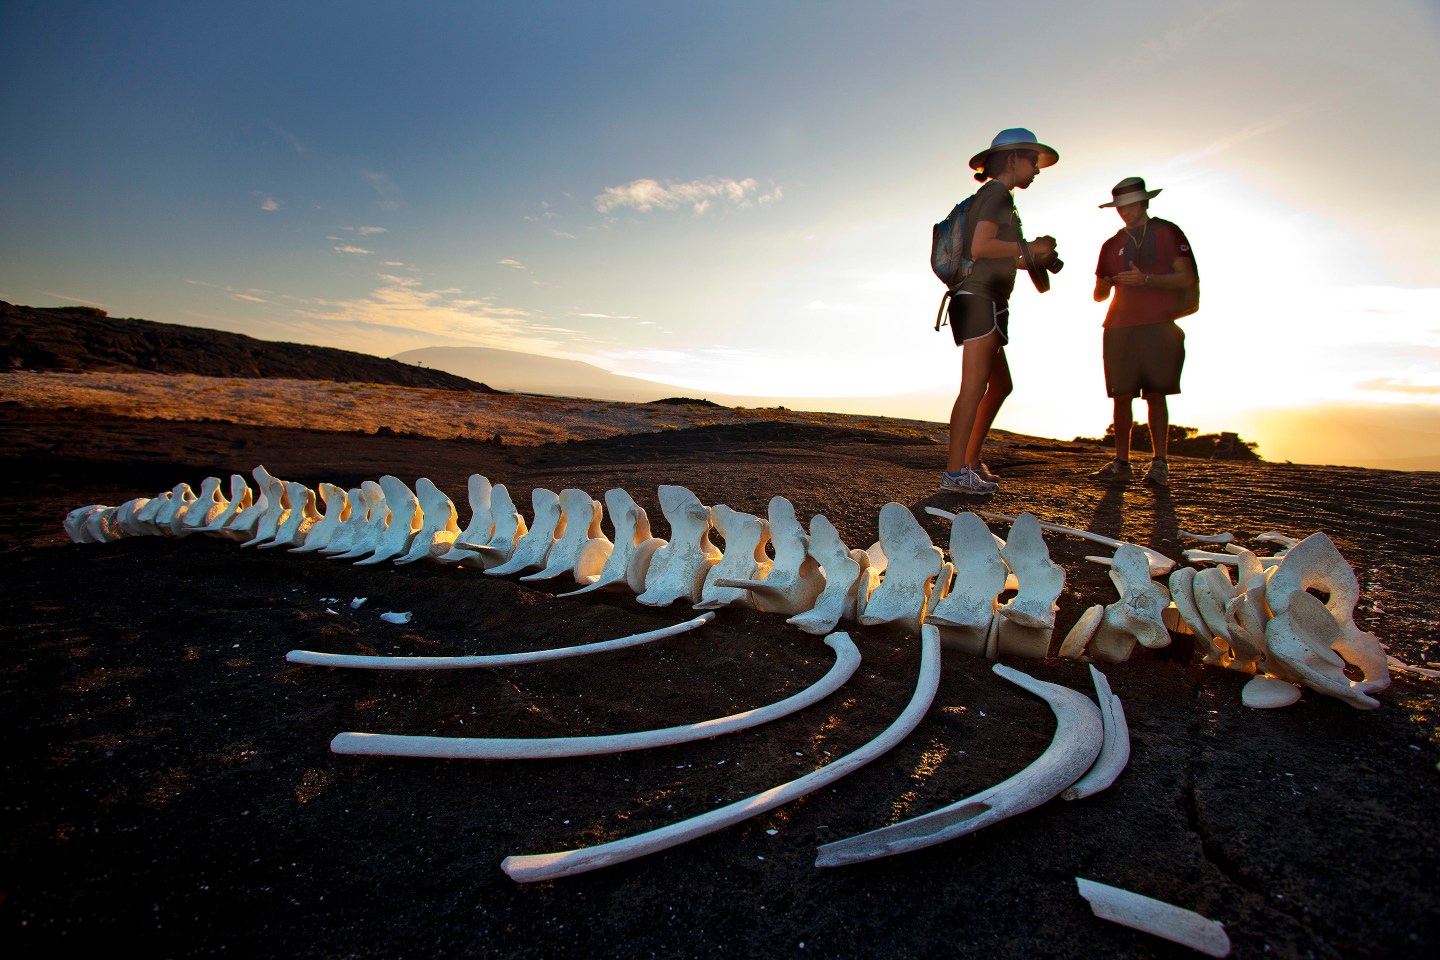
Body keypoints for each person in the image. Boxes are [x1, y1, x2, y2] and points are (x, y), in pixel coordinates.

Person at [940, 128, 1058, 495]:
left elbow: (995, 254)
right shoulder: (996, 195)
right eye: (1033, 161)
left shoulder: (994, 197)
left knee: (1000, 385)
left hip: (985, 301)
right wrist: (1028, 245)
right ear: (1012, 160)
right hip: (979, 302)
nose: (1037, 170)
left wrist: (1032, 257)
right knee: (974, 387)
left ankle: (970, 462)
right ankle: (956, 473)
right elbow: (981, 245)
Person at [1090, 177, 1198, 489]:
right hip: (1119, 326)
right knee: (1121, 396)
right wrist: (1105, 285)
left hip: (1158, 323)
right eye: (1120, 206)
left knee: (1155, 393)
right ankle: (1121, 462)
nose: (1125, 211)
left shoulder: (1167, 232)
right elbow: (1098, 294)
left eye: (1130, 205)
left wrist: (1147, 280)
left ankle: (1159, 462)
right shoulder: (1111, 244)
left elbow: (1186, 277)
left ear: (1145, 203)